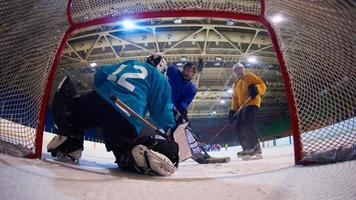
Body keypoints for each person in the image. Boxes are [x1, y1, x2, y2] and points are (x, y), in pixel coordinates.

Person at [47, 55, 179, 176]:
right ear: (162, 69)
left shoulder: (131, 63)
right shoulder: (160, 79)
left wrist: (102, 90)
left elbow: (101, 73)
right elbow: (161, 111)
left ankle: (70, 145)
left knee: (72, 111)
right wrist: (170, 127)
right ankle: (132, 155)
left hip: (98, 100)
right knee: (124, 152)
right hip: (126, 116)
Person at [167, 63, 230, 164]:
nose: (188, 72)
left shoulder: (192, 89)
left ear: (194, 74)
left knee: (186, 129)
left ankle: (198, 152)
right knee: (164, 131)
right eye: (186, 70)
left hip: (176, 110)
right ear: (183, 69)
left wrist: (182, 111)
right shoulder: (174, 72)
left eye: (191, 71)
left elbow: (184, 102)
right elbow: (162, 66)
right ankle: (163, 152)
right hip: (164, 106)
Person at [228, 62, 266, 160]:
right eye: (236, 70)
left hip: (252, 103)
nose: (239, 71)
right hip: (242, 107)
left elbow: (262, 84)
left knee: (248, 123)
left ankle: (255, 147)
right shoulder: (235, 84)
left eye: (240, 69)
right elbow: (235, 99)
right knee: (238, 127)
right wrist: (233, 110)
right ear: (234, 72)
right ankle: (247, 148)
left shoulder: (250, 76)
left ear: (243, 69)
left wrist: (256, 89)